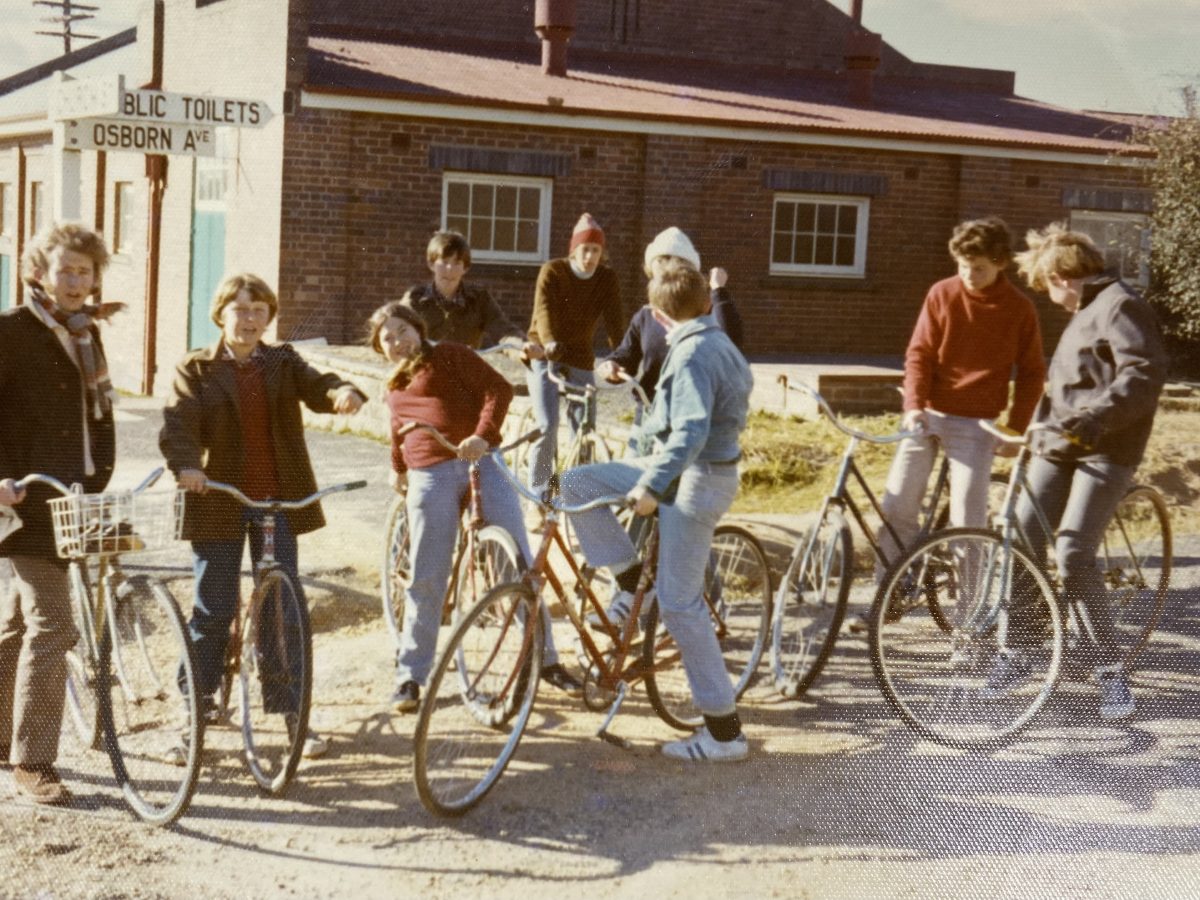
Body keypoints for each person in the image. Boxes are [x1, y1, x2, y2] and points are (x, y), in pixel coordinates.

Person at [159, 273, 366, 760]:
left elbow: (320, 383)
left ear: (268, 318)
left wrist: (342, 392)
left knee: (280, 607)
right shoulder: (197, 368)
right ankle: (197, 710)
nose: (249, 319)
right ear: (221, 314)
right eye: (240, 309)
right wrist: (187, 465)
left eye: (258, 311)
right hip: (218, 499)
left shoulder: (282, 362)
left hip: (275, 504)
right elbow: (177, 422)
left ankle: (292, 713)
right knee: (213, 607)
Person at [560, 261, 754, 763]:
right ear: (706, 303)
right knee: (578, 481)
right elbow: (675, 425)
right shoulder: (718, 341)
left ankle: (725, 734)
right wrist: (642, 459)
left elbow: (689, 432)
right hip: (688, 469)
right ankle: (627, 578)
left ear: (660, 319)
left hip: (696, 480)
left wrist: (651, 484)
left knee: (680, 605)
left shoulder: (691, 354)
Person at [367, 300, 583, 710]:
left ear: (418, 327)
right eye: (387, 339)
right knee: (427, 575)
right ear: (381, 349)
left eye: (402, 331)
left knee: (515, 562)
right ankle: (411, 675)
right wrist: (397, 469)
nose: (397, 342)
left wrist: (484, 435)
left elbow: (497, 389)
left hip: (478, 461)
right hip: (429, 474)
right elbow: (398, 434)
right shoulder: (393, 388)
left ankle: (545, 660)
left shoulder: (449, 355)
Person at [996, 224, 1167, 720]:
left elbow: (1142, 375)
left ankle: (1109, 670)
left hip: (1106, 448)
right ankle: (1022, 650)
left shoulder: (1119, 304)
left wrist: (1095, 418)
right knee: (1025, 532)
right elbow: (1064, 390)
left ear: (1060, 276)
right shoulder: (1085, 311)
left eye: (1046, 285)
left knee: (1072, 551)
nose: (1050, 298)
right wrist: (1031, 432)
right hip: (1063, 443)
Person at [0, 222, 119, 805]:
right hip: (23, 498)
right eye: (64, 270)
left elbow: (98, 415)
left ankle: (1, 737)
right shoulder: (11, 330)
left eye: (84, 271)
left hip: (74, 496)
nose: (75, 280)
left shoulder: (86, 333)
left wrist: (100, 479)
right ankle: (34, 761)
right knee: (55, 623)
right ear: (39, 273)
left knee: (23, 622)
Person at [875, 216, 1046, 580]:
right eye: (963, 266)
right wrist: (914, 406)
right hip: (929, 413)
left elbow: (1032, 374)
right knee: (897, 506)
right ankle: (884, 597)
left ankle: (970, 619)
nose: (969, 275)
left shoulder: (1019, 309)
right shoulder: (942, 293)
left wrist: (1015, 430)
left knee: (967, 524)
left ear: (1000, 263)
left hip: (976, 423)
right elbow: (919, 352)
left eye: (979, 268)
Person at [524, 213, 624, 494]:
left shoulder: (606, 278)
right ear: (574, 249)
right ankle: (540, 496)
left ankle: (574, 490)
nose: (590, 256)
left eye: (596, 250)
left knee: (584, 426)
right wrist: (549, 342)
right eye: (585, 249)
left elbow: (615, 320)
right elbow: (542, 311)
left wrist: (621, 356)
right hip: (544, 352)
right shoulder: (553, 271)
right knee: (547, 425)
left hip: (579, 353)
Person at [598, 226, 745, 416]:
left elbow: (731, 344)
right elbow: (627, 355)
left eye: (674, 263)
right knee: (637, 446)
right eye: (660, 263)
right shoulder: (645, 316)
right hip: (650, 409)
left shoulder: (702, 312)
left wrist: (718, 291)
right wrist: (611, 366)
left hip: (692, 413)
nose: (666, 271)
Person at [401, 231, 525, 349]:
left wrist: (521, 346)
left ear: (465, 268)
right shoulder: (415, 299)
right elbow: (395, 329)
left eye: (457, 263)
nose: (450, 269)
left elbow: (503, 330)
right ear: (431, 264)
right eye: (444, 262)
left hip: (464, 368)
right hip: (425, 367)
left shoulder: (479, 298)